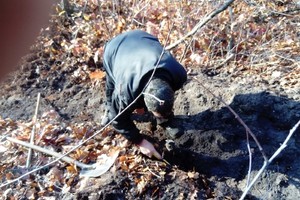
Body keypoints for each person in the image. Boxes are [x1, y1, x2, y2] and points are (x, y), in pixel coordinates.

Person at [101, 30, 187, 159]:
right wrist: (140, 142)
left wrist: (163, 112)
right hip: (114, 50)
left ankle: (164, 121)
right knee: (112, 91)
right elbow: (118, 119)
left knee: (157, 101)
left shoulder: (179, 74)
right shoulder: (125, 91)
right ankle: (108, 110)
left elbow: (161, 95)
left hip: (143, 38)